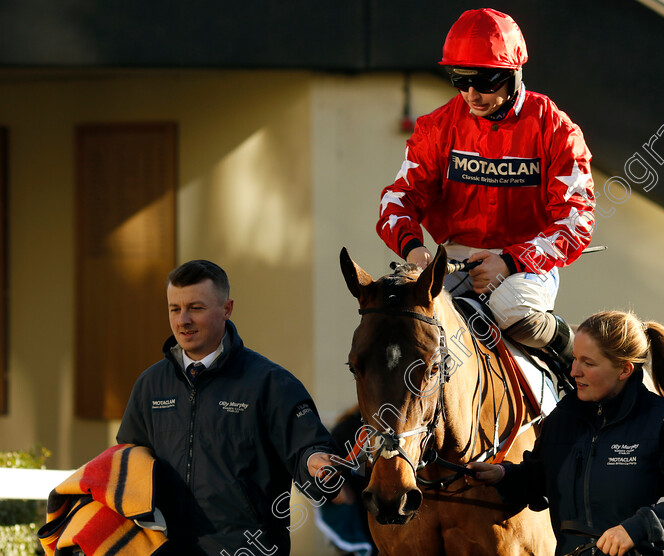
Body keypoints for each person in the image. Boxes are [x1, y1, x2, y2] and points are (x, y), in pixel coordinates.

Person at [376, 8, 596, 380]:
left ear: (514, 74)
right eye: (460, 80)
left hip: (528, 261)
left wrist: (509, 262)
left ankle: (577, 362)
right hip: (453, 256)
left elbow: (576, 220)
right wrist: (414, 249)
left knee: (510, 309)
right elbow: (397, 200)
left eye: (486, 80)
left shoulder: (557, 130)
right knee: (399, 313)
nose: (472, 94)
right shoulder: (437, 127)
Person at [466, 310, 664, 555]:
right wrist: (503, 476)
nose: (574, 372)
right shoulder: (563, 419)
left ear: (625, 370)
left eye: (588, 363)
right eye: (575, 359)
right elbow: (540, 480)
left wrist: (636, 529)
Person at [117, 260, 344, 555]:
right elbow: (126, 464)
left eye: (195, 308)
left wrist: (315, 463)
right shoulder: (150, 386)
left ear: (227, 309)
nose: (182, 320)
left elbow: (309, 450)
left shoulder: (271, 383)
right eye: (175, 309)